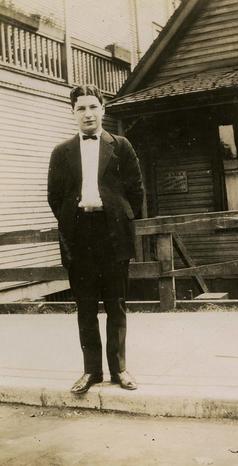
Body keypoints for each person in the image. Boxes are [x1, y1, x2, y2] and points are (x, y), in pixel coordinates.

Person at [48, 84, 144, 394]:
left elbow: (136, 193)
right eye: (81, 108)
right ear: (72, 112)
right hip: (80, 237)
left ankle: (119, 369)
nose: (88, 113)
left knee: (116, 304)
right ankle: (91, 372)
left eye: (93, 107)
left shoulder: (122, 146)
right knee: (86, 306)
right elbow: (54, 197)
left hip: (112, 234)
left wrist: (117, 215)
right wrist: (73, 219)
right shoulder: (61, 153)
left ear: (102, 109)